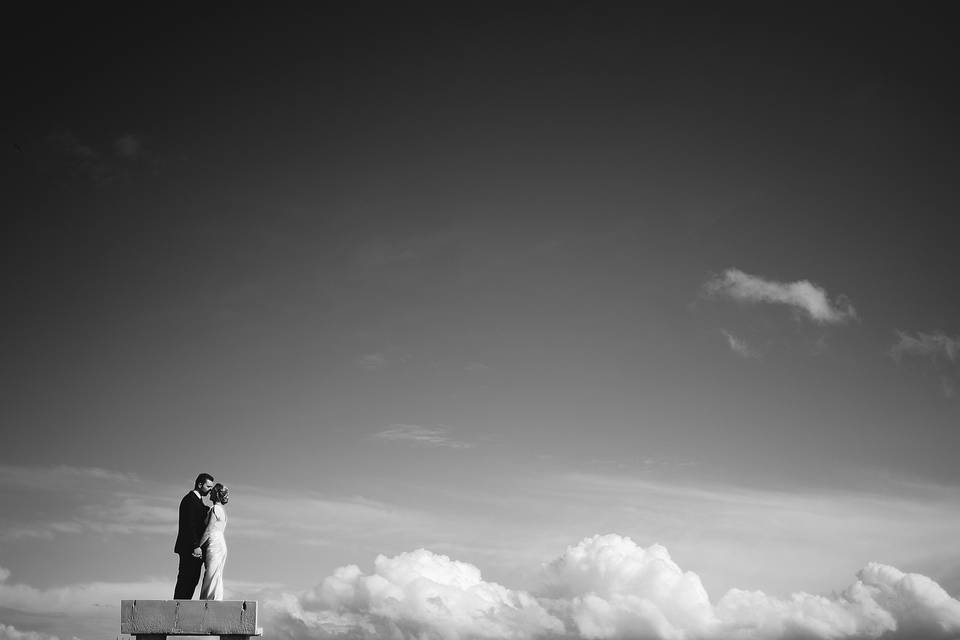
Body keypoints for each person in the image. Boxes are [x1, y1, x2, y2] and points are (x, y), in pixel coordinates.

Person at [173, 473, 214, 599]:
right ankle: (178, 606)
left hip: (195, 550)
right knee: (185, 579)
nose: (210, 490)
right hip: (189, 548)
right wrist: (196, 546)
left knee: (193, 580)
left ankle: (182, 605)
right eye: (208, 486)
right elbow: (189, 525)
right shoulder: (189, 500)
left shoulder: (199, 502)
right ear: (199, 484)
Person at [198, 483, 229, 600]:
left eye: (212, 491)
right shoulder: (223, 511)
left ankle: (210, 600)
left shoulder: (215, 508)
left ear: (216, 494)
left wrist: (198, 546)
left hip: (214, 543)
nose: (210, 492)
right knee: (216, 573)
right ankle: (214, 598)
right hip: (220, 542)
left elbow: (209, 529)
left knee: (211, 573)